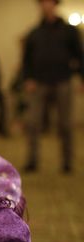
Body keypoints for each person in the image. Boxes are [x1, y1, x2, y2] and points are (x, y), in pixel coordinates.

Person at [22, 0, 84, 173]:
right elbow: (26, 60)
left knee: (65, 124)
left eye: (49, 2)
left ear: (55, 4)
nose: (46, 5)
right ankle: (32, 160)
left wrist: (81, 78)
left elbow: (80, 56)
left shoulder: (70, 31)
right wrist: (28, 79)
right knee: (33, 123)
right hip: (39, 82)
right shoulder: (34, 33)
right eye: (43, 2)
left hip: (63, 80)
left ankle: (67, 162)